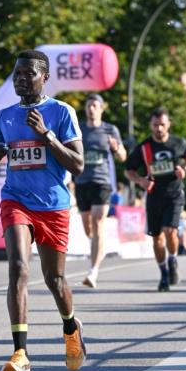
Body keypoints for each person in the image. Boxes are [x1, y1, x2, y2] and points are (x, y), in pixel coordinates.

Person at [0, 49, 86, 371]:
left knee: (55, 280)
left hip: (53, 205)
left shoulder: (61, 112)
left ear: (45, 77)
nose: (20, 79)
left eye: (28, 73)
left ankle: (71, 328)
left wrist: (47, 135)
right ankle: (21, 354)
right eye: (16, 74)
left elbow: (78, 164)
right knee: (17, 267)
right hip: (16, 199)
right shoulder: (5, 116)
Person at [125, 106, 186, 291]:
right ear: (151, 125)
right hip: (154, 196)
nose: (159, 129)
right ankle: (163, 272)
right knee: (156, 238)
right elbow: (128, 170)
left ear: (168, 124)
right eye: (156, 125)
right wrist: (140, 180)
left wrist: (185, 170)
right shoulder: (144, 147)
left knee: (170, 230)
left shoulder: (178, 143)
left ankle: (173, 259)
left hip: (174, 194)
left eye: (162, 125)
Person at [74, 93, 126, 288]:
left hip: (102, 182)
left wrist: (116, 147)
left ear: (102, 109)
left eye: (95, 105)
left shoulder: (110, 130)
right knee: (88, 228)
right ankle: (98, 246)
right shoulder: (78, 129)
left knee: (97, 223)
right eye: (89, 105)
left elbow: (122, 156)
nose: (92, 108)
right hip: (82, 182)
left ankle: (93, 272)